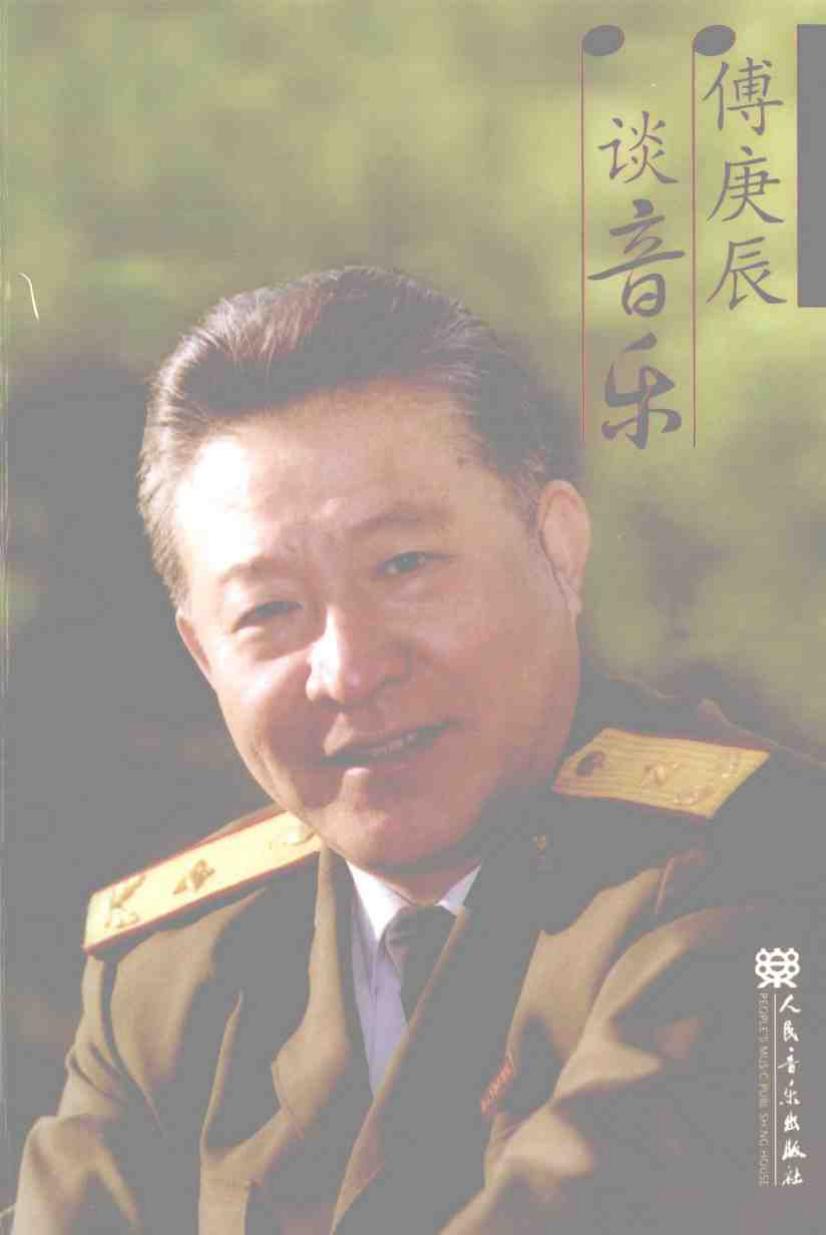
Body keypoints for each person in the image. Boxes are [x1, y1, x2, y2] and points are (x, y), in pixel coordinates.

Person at [10, 268, 825, 1235]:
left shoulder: (757, 866)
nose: (349, 671)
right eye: (269, 611)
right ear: (201, 653)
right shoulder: (171, 972)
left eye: (404, 566)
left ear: (559, 549)